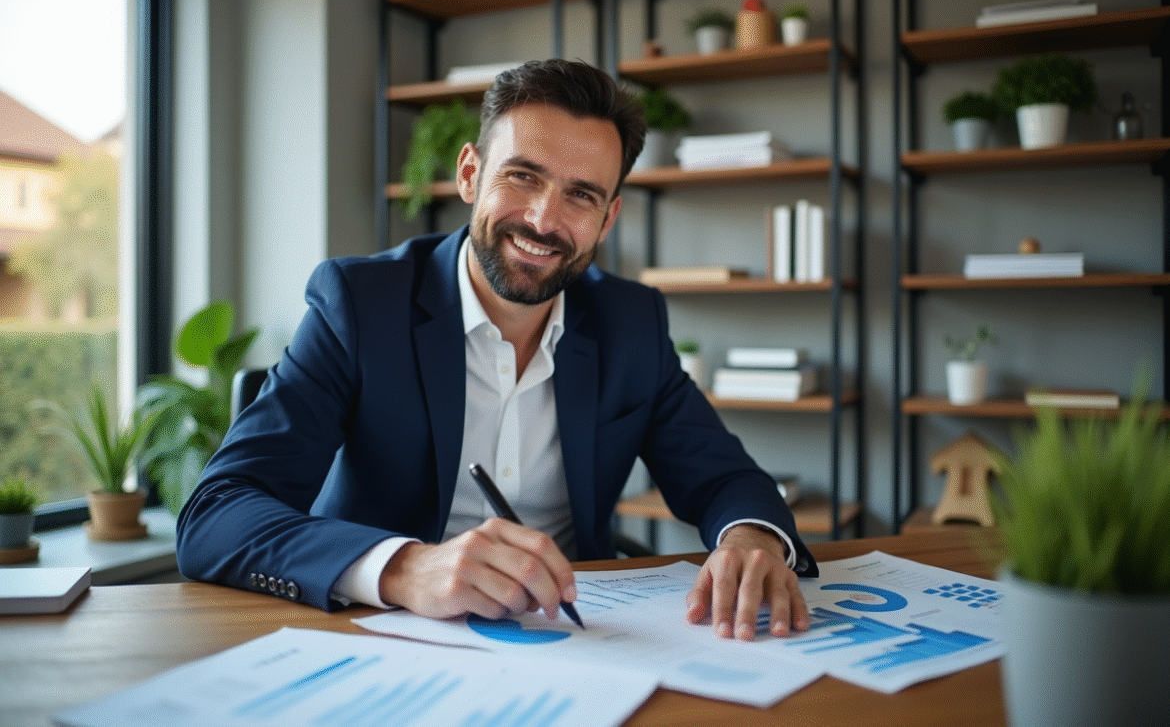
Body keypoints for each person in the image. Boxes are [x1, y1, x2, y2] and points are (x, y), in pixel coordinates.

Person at [176, 58, 816, 643]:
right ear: (469, 174)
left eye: (580, 195)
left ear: (608, 218)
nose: (542, 219)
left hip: (576, 640)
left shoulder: (631, 323)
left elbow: (724, 476)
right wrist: (406, 568)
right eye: (522, 176)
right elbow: (217, 513)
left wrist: (752, 538)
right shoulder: (360, 304)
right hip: (386, 638)